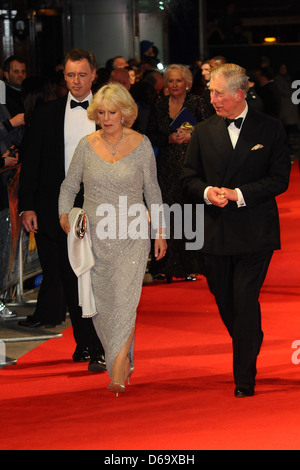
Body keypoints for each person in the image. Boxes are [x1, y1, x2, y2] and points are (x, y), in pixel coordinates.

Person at [182, 63, 291, 397]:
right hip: (214, 232)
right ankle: (250, 338)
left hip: (254, 231)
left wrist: (238, 195)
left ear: (239, 93)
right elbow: (187, 176)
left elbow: (279, 179)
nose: (212, 98)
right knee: (224, 299)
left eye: (218, 93)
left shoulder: (270, 128)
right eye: (211, 92)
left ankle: (244, 376)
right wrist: (206, 192)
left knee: (244, 300)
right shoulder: (203, 131)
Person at [58, 82, 166, 395]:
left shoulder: (142, 144)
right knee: (103, 303)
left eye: (113, 112)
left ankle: (118, 366)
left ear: (125, 113)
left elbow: (153, 192)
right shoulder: (85, 144)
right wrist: (65, 214)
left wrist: (160, 231)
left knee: (125, 299)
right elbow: (68, 186)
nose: (107, 118)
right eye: (102, 112)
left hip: (132, 233)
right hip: (95, 237)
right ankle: (121, 357)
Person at [18, 49, 106, 372]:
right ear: (63, 76)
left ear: (94, 74)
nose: (76, 82)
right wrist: (27, 205)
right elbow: (32, 164)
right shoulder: (46, 113)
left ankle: (99, 344)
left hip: (101, 205)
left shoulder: (110, 111)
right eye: (70, 75)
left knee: (95, 277)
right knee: (70, 279)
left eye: (82, 75)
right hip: (57, 208)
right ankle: (85, 343)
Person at [146, 64, 213, 282]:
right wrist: (168, 139)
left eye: (178, 81)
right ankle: (165, 265)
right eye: (171, 81)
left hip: (191, 166)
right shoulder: (159, 105)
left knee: (190, 215)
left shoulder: (197, 103)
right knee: (167, 214)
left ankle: (190, 266)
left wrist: (191, 137)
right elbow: (150, 135)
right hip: (165, 167)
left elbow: (211, 131)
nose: (174, 85)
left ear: (187, 83)